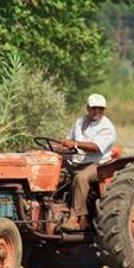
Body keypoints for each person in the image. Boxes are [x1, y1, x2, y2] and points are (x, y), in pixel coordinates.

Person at [58, 93, 117, 231]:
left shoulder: (107, 127)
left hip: (99, 164)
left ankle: (74, 218)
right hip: (78, 161)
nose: (97, 111)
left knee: (81, 178)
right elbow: (68, 140)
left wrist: (75, 144)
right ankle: (59, 211)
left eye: (100, 109)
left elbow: (96, 147)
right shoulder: (80, 121)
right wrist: (57, 147)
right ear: (87, 108)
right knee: (58, 174)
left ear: (104, 109)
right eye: (94, 108)